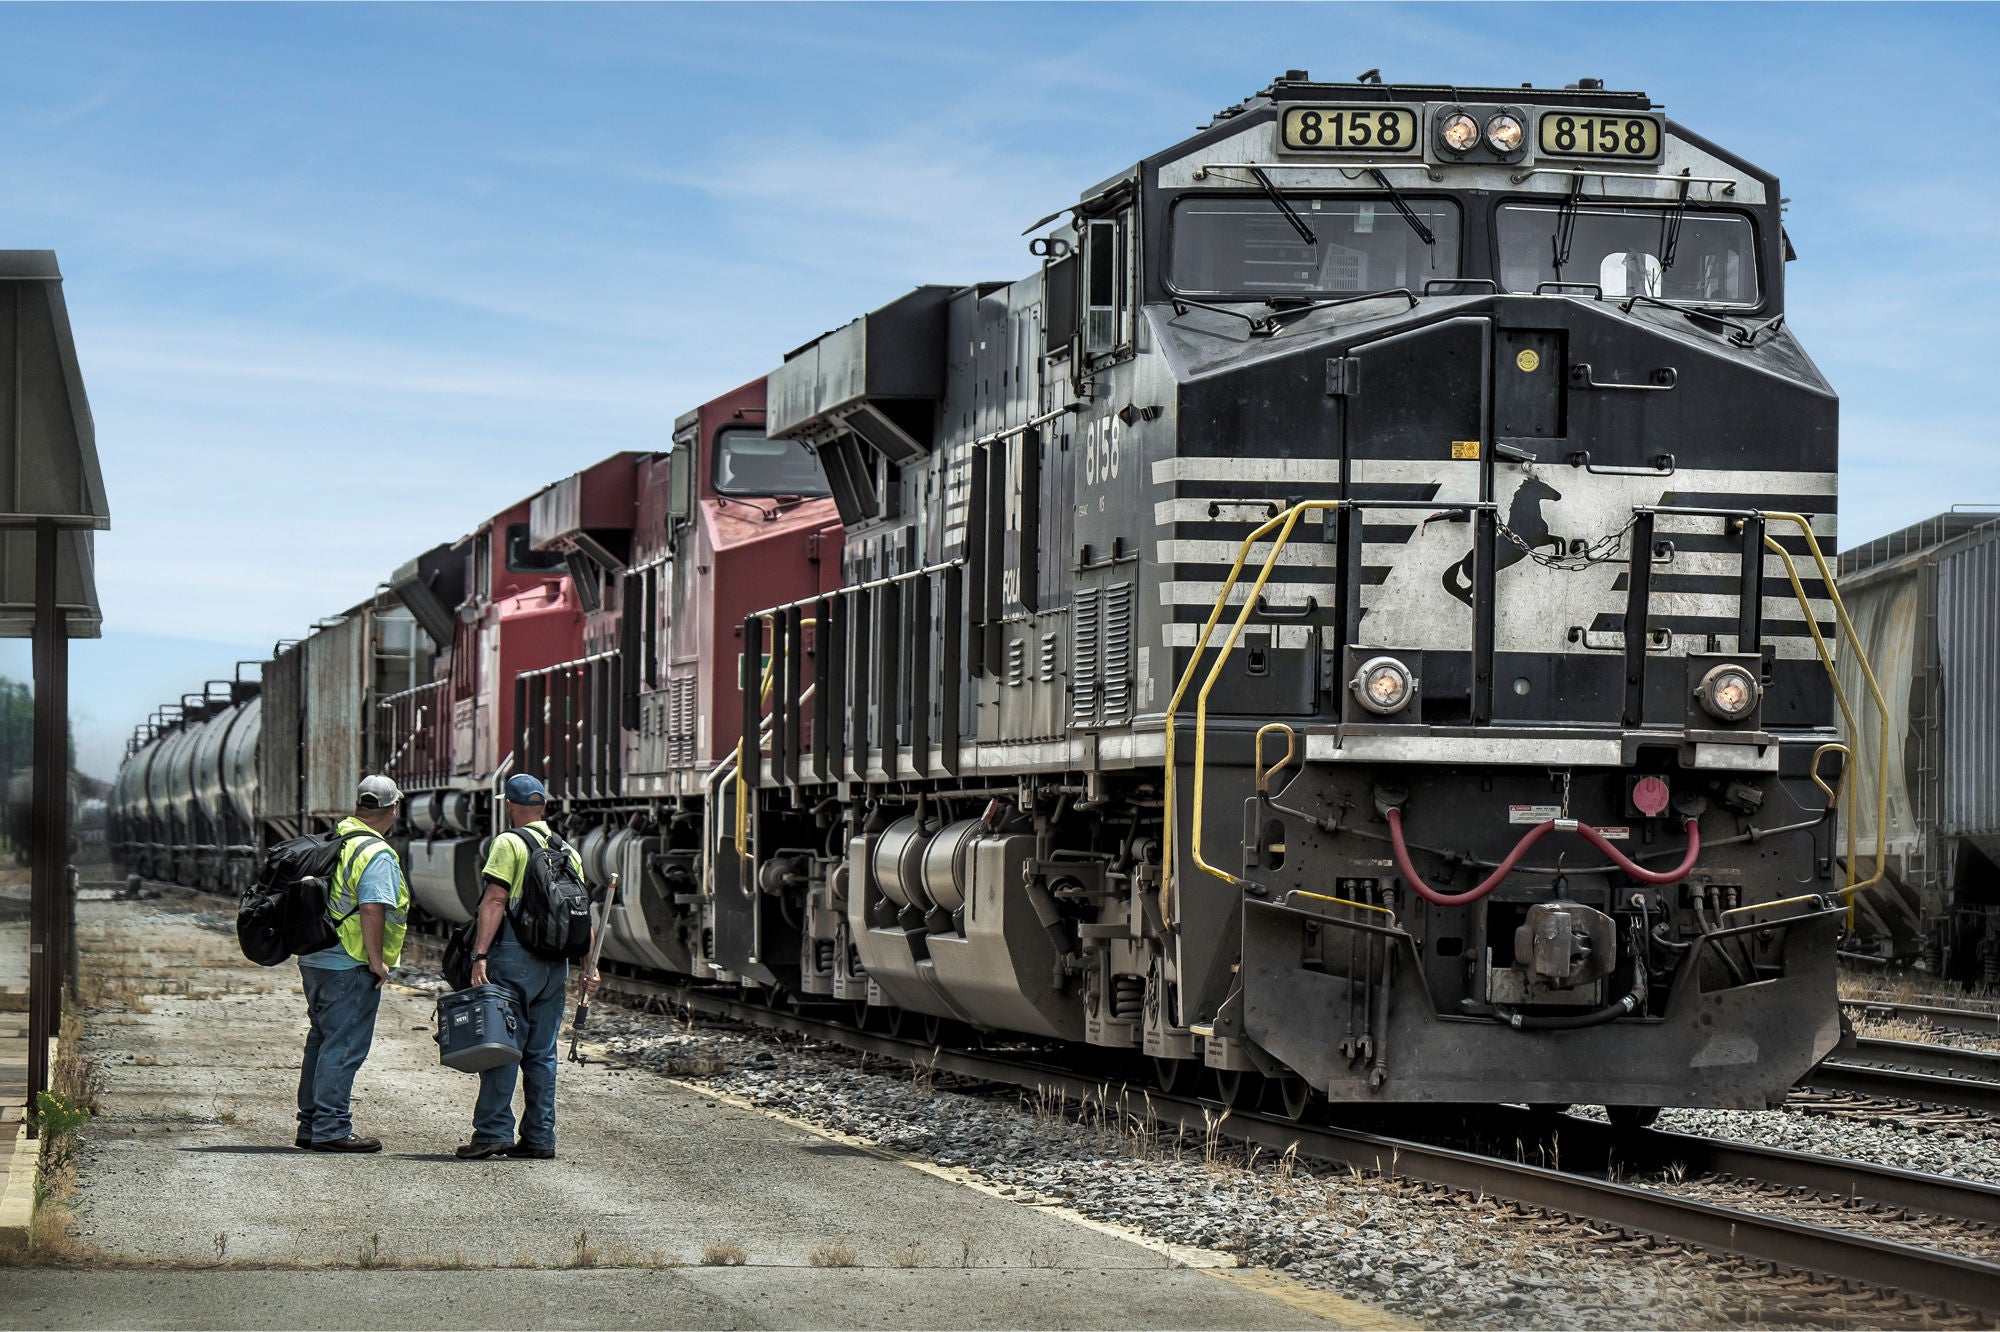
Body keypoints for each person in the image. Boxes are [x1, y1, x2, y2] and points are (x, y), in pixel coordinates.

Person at [457, 773, 597, 1160]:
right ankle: (539, 1138)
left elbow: (496, 900)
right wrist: (590, 967)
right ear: (545, 806)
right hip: (555, 965)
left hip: (513, 957)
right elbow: (581, 913)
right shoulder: (568, 851)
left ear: (510, 805)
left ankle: (492, 1133)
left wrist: (479, 954)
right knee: (542, 1052)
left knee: (502, 1044)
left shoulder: (509, 842)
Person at [295, 774, 409, 1153]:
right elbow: (372, 909)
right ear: (394, 808)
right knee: (343, 1045)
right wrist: (377, 961)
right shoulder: (375, 853)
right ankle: (330, 1128)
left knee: (322, 1040)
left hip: (315, 956)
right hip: (350, 960)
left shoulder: (336, 838)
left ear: (360, 806)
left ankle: (311, 1124)